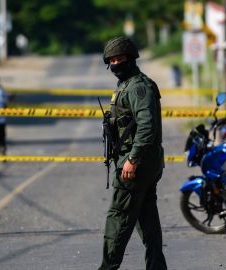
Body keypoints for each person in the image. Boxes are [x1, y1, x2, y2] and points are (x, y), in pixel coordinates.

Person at [98, 36, 167, 270]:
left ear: (131, 59)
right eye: (112, 60)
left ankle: (107, 268)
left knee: (119, 217)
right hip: (140, 162)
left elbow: (147, 127)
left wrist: (132, 159)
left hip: (136, 164)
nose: (116, 63)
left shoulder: (138, 87)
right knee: (146, 218)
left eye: (120, 58)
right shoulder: (127, 85)